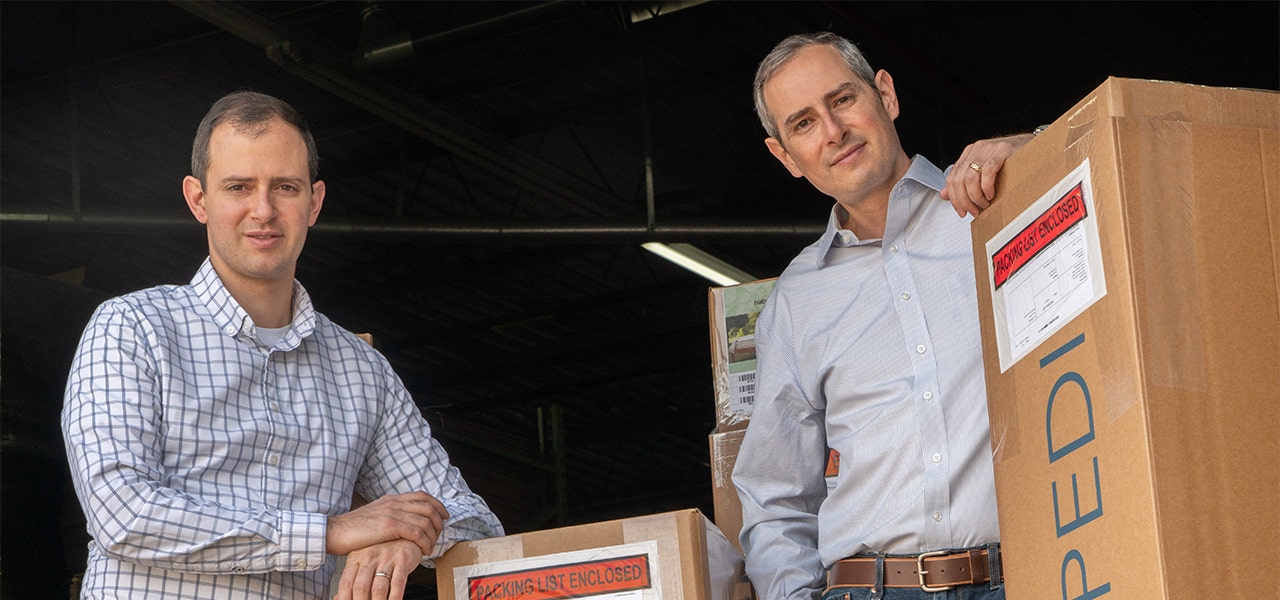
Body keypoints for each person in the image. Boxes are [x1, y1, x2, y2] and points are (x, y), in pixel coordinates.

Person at [61, 91, 503, 600]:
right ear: (198, 199)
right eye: (239, 187)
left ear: (314, 202)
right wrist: (329, 533)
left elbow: (472, 519)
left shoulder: (361, 371)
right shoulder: (133, 329)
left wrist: (408, 540)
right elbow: (123, 513)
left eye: (285, 187)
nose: (263, 210)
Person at [732, 32, 1033, 600]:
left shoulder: (997, 210)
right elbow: (775, 500)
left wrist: (1034, 150)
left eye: (842, 100)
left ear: (885, 95)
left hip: (1022, 577)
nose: (832, 131)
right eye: (802, 123)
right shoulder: (796, 303)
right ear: (785, 157)